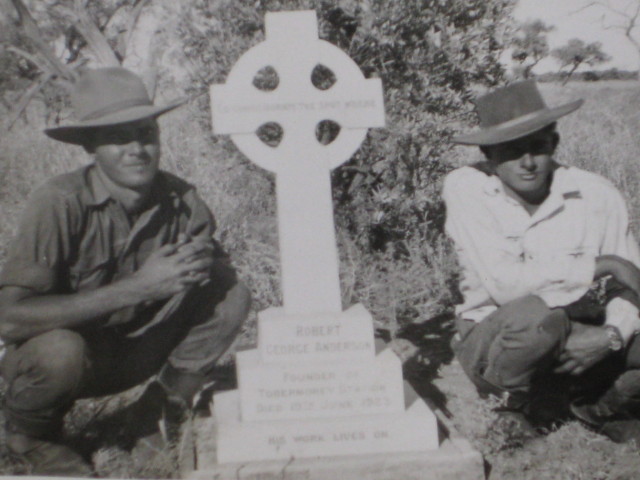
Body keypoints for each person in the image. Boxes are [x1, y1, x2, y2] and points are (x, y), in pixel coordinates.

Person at [0, 67, 251, 475]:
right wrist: (137, 287)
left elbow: (212, 282)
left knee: (229, 291)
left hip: (140, 349)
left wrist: (198, 265)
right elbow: (8, 319)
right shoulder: (58, 202)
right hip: (68, 362)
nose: (137, 148)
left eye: (146, 133)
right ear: (90, 147)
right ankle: (31, 439)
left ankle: (158, 411)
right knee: (59, 350)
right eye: (118, 137)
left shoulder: (181, 199)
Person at [443, 80, 640, 441]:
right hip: (499, 336)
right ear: (489, 155)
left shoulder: (596, 193)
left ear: (555, 143)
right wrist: (601, 265)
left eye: (538, 147)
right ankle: (510, 407)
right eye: (512, 151)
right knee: (534, 316)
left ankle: (597, 406)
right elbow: (507, 287)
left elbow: (629, 284)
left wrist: (611, 335)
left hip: (580, 331)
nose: (528, 162)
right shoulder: (467, 188)